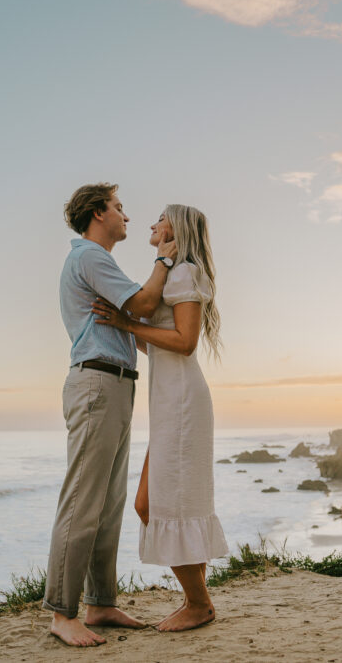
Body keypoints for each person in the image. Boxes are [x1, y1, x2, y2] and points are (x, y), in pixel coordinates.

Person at [45, 182, 178, 647]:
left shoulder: (97, 260)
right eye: (119, 208)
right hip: (97, 384)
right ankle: (62, 612)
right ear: (99, 213)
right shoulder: (89, 257)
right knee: (83, 500)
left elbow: (133, 321)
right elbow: (143, 304)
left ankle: (99, 602)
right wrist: (163, 260)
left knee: (107, 504)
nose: (126, 215)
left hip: (115, 384)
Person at [93, 203, 228, 632]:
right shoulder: (176, 271)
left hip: (183, 403)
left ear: (178, 228)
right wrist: (124, 326)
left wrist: (127, 325)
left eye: (160, 218)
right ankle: (197, 599)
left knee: (155, 504)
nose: (152, 223)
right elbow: (165, 344)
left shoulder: (185, 271)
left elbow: (185, 342)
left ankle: (199, 603)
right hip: (172, 402)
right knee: (163, 503)